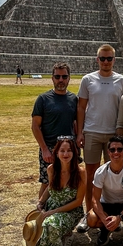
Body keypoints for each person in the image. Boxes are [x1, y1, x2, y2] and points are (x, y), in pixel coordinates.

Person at [76, 44, 123, 231]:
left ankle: (111, 215)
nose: (106, 62)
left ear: (114, 60)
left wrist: (122, 133)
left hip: (114, 135)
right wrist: (80, 132)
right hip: (92, 131)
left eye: (109, 59)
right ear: (97, 59)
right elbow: (81, 107)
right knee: (91, 176)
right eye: (102, 58)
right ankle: (89, 213)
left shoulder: (122, 81)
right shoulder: (87, 79)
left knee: (112, 176)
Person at [24, 136, 86, 246]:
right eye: (62, 150)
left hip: (70, 212)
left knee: (50, 224)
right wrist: (41, 202)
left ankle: (66, 235)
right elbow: (50, 187)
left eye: (69, 150)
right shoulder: (51, 169)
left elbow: (78, 201)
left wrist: (52, 213)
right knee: (38, 231)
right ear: (56, 153)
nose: (65, 154)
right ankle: (55, 236)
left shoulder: (80, 172)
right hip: (51, 208)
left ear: (74, 152)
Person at [31, 62, 78, 199]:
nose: (61, 80)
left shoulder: (73, 99)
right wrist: (44, 149)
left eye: (64, 77)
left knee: (71, 181)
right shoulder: (43, 99)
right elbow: (35, 126)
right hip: (50, 148)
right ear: (52, 78)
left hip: (69, 149)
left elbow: (75, 123)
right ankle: (41, 211)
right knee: (47, 182)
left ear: (69, 78)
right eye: (57, 77)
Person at [87, 135, 123, 246]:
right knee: (91, 219)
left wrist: (119, 218)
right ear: (108, 152)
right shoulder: (100, 172)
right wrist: (104, 219)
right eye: (112, 150)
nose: (116, 152)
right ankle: (105, 230)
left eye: (119, 149)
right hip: (106, 204)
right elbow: (95, 199)